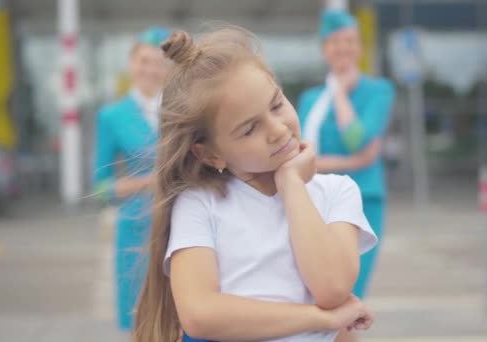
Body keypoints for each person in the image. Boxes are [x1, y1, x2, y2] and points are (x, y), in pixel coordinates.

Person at [134, 27, 379, 342]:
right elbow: (200, 314)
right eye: (249, 128)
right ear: (209, 153)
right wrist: (319, 318)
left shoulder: (337, 192)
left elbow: (332, 287)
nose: (277, 130)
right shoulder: (199, 203)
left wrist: (291, 184)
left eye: (276, 105)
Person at [298, 9, 395, 299]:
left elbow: (355, 138)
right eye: (335, 42)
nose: (343, 48)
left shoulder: (378, 91)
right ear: (324, 49)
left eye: (350, 41)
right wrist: (354, 162)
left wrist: (340, 93)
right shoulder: (311, 99)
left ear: (360, 48)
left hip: (362, 203)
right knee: (315, 296)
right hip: (315, 203)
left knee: (347, 294)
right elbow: (300, 155)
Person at [92, 26, 171, 331]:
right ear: (131, 64)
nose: (151, 69)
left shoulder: (181, 110)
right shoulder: (112, 116)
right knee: (139, 320)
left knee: (182, 318)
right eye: (144, 61)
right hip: (136, 230)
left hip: (180, 220)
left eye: (159, 62)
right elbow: (100, 188)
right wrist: (148, 182)